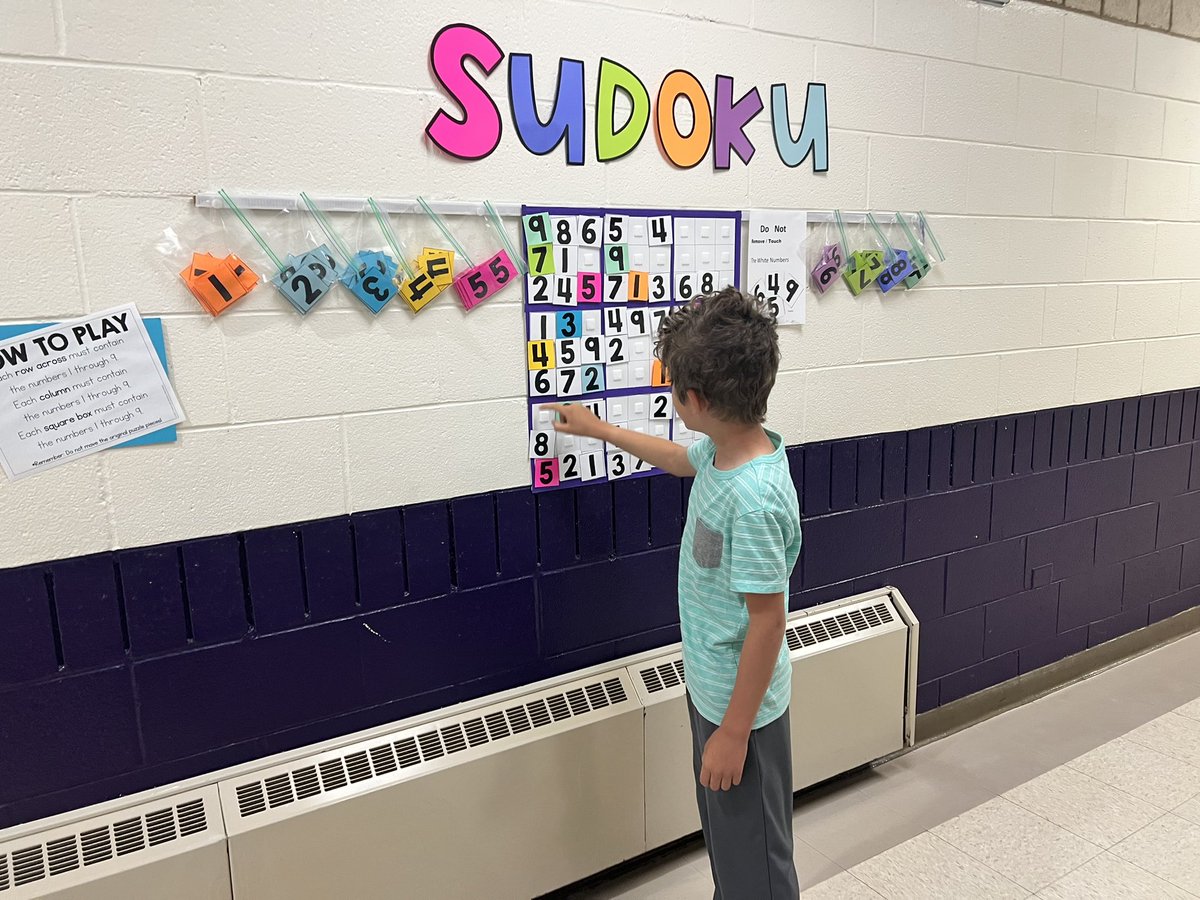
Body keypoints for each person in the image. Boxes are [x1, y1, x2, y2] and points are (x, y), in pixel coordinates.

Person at [549, 287, 802, 899]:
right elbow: (679, 459)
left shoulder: (753, 497)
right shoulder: (724, 452)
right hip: (715, 691)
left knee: (756, 866)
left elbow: (768, 623)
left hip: (743, 713)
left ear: (696, 399)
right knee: (733, 848)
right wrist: (599, 429)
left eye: (672, 390)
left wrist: (735, 732)